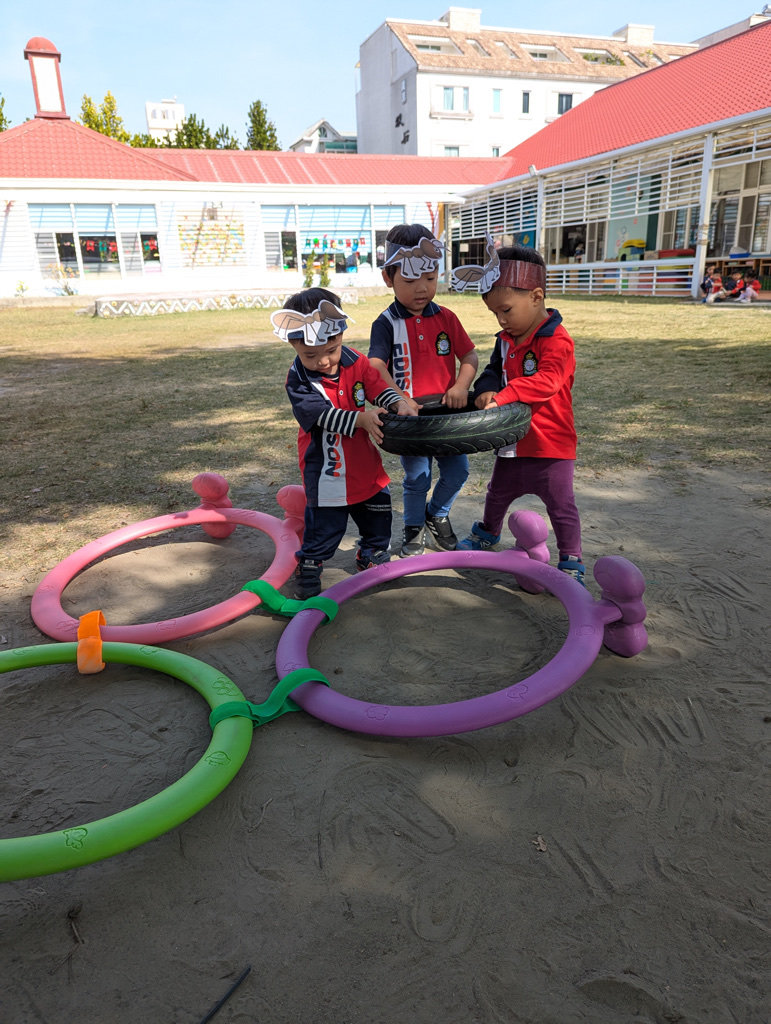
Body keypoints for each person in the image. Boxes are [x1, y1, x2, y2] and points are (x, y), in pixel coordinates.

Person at [452, 240, 585, 586]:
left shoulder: (557, 340)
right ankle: (488, 531)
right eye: (494, 313)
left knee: (562, 505)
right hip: (512, 441)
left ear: (536, 297)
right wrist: (486, 389)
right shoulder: (505, 338)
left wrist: (507, 394)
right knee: (497, 492)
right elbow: (492, 371)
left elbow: (548, 380)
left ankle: (571, 558)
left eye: (506, 310)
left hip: (551, 445)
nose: (501, 319)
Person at [275, 288, 415, 599]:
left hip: (364, 464)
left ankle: (372, 553)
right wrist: (360, 420)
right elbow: (319, 415)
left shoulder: (357, 361)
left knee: (378, 513)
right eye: (310, 355)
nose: (323, 361)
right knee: (325, 527)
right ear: (293, 344)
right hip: (326, 470)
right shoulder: (298, 379)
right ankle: (310, 563)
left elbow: (376, 386)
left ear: (340, 335)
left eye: (331, 350)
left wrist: (397, 403)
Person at [368, 223, 479, 556]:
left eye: (430, 278)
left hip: (448, 415)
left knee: (458, 471)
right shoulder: (385, 323)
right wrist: (400, 398)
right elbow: (376, 367)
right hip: (411, 419)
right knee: (417, 478)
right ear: (388, 278)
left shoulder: (447, 317)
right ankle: (414, 528)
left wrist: (461, 385)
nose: (422, 288)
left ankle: (437, 514)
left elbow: (469, 355)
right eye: (410, 280)